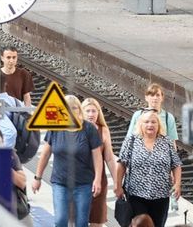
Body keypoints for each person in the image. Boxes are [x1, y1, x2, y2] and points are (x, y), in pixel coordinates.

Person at [32, 95, 104, 227]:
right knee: (60, 220)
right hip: (60, 182)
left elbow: (97, 156)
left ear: (79, 109)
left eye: (74, 108)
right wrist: (38, 178)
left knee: (81, 222)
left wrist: (97, 179)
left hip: (83, 183)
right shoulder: (55, 128)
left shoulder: (88, 129)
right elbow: (45, 153)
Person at [116, 109, 183, 227]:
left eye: (153, 122)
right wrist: (118, 186)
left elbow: (176, 164)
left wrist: (177, 184)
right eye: (146, 122)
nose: (150, 125)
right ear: (140, 124)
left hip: (161, 195)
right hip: (136, 194)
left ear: (158, 125)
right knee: (140, 224)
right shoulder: (131, 140)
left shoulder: (166, 141)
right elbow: (121, 164)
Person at [81, 98, 119, 227]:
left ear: (98, 113)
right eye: (88, 111)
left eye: (94, 111)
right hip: (79, 181)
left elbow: (109, 158)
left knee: (97, 220)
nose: (91, 114)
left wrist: (117, 181)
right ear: (82, 112)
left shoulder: (103, 130)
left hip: (98, 182)